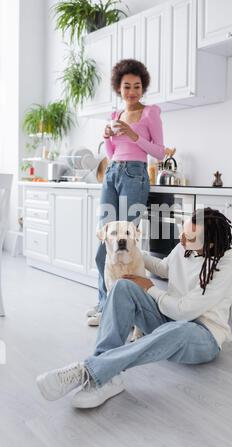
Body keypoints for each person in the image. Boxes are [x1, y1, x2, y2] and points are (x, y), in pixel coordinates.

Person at [36, 208, 232, 410]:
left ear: (211, 244)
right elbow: (163, 268)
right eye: (183, 232)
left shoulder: (226, 265)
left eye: (189, 237)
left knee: (180, 328)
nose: (181, 240)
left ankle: (88, 371)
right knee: (122, 285)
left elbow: (183, 312)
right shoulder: (184, 247)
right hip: (169, 317)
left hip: (202, 336)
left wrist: (150, 288)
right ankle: (107, 377)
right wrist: (133, 249)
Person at [86, 59, 165, 326]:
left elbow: (159, 152)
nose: (132, 91)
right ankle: (105, 303)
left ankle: (124, 308)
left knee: (127, 245)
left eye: (137, 86)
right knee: (104, 243)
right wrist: (107, 136)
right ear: (118, 88)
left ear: (143, 88)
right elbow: (111, 153)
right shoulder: (115, 115)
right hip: (112, 174)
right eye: (126, 86)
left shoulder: (150, 113)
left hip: (135, 175)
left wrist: (133, 135)